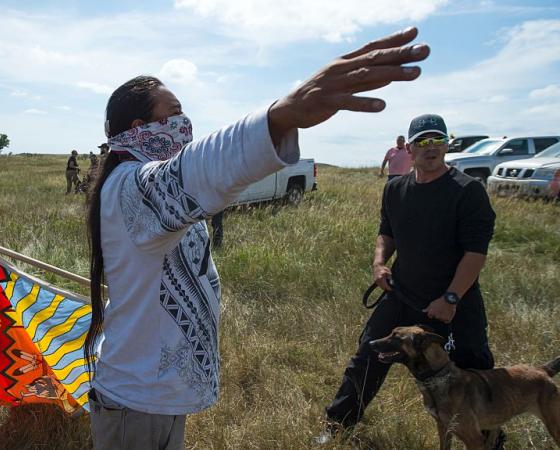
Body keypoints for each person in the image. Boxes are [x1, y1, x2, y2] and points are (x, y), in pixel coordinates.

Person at [83, 27, 430, 450]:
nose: (183, 122)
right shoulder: (131, 187)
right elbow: (200, 168)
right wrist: (281, 115)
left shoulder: (147, 187)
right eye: (173, 112)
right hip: (134, 401)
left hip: (158, 396)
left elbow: (205, 183)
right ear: (141, 127)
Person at [320, 113, 501, 447]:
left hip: (452, 303)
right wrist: (378, 264)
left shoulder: (467, 191)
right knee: (367, 359)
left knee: (474, 369)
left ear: (448, 144)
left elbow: (475, 253)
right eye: (422, 141)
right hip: (402, 295)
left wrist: (450, 299)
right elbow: (386, 232)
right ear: (410, 146)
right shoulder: (395, 189)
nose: (430, 148)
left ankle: (489, 438)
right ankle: (337, 427)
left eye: (437, 140)